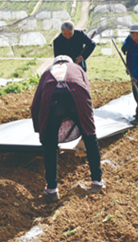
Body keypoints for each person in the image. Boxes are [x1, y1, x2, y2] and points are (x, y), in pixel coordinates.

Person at [31, 55, 105, 201]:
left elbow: (36, 103)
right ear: (68, 62)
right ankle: (97, 181)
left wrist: (41, 130)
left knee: (50, 145)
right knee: (90, 139)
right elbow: (87, 92)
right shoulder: (77, 69)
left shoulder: (47, 72)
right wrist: (88, 127)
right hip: (77, 96)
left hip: (53, 99)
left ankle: (52, 189)